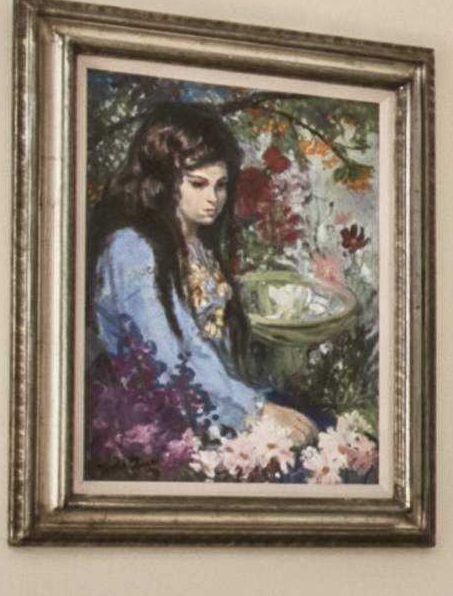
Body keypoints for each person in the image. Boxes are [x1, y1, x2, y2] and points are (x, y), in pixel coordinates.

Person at [83, 100, 368, 484]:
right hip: (165, 419)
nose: (213, 198)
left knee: (345, 441)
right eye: (198, 184)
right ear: (164, 183)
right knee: (325, 465)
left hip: (219, 398)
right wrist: (256, 410)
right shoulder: (132, 248)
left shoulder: (196, 243)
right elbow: (168, 358)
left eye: (220, 185)